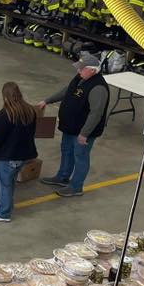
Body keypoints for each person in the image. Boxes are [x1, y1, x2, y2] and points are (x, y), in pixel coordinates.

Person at [37, 53, 109, 197]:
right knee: (66, 151)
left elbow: (96, 114)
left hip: (82, 131)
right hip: (70, 126)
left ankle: (76, 187)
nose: (78, 71)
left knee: (80, 157)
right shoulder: (81, 78)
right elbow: (67, 91)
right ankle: (62, 177)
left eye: (81, 69)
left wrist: (84, 133)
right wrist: (47, 100)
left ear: (93, 70)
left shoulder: (98, 88)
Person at [0, 82, 37, 223]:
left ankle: (3, 213)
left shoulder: (5, 114)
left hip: (7, 156)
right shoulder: (30, 110)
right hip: (24, 155)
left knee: (4, 184)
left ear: (5, 96)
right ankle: (4, 201)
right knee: (10, 180)